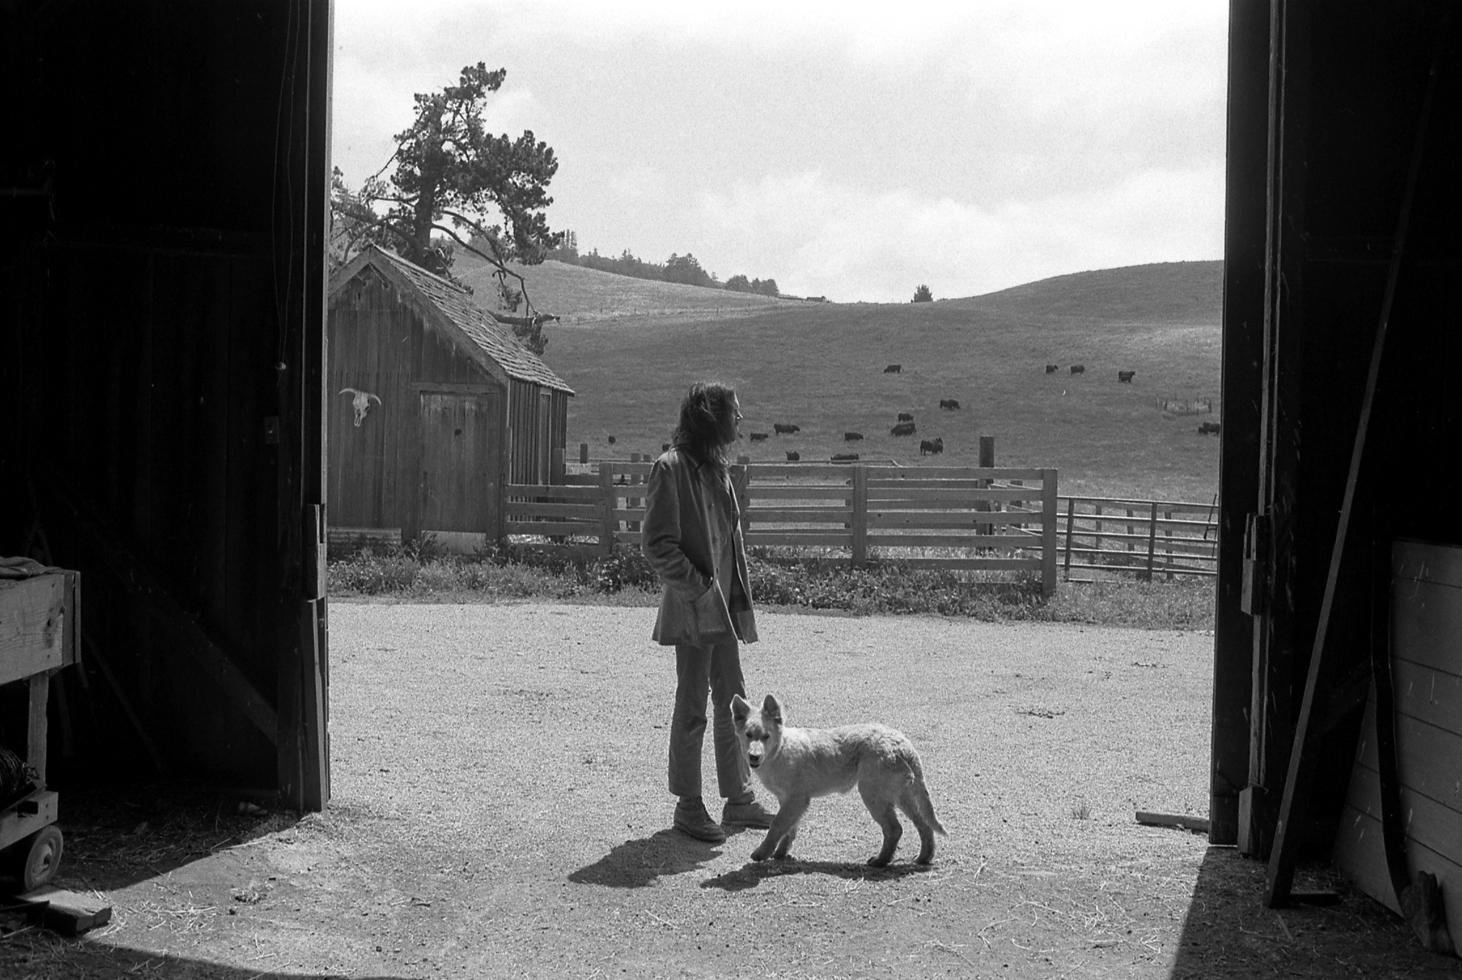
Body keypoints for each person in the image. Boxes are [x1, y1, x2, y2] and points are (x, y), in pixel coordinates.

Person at [641, 381, 774, 842]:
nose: (740, 420)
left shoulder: (717, 470)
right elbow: (657, 545)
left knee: (734, 703)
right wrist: (698, 589)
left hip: (722, 613)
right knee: (693, 704)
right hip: (696, 611)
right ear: (710, 415)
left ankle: (738, 800)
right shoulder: (670, 469)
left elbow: (726, 544)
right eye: (734, 413)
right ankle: (688, 805)